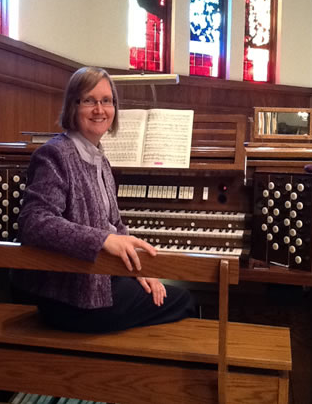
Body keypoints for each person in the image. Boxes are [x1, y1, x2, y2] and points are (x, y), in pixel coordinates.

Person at [12, 66, 196, 333]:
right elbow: (35, 223)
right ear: (72, 106)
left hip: (97, 281)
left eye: (107, 101)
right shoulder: (54, 154)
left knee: (164, 289)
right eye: (89, 100)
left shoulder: (99, 158)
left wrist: (139, 269)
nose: (100, 109)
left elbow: (115, 225)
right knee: (185, 299)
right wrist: (103, 240)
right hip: (70, 296)